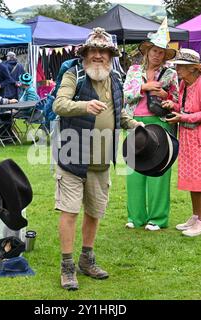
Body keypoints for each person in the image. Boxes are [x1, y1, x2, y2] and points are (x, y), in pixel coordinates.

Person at [53, 27, 142, 290]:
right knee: (69, 211)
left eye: (104, 51)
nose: (99, 56)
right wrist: (84, 106)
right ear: (85, 53)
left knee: (94, 212)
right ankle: (67, 267)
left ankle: (86, 259)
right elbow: (59, 104)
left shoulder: (115, 78)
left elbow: (119, 112)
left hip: (102, 161)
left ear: (111, 55)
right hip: (72, 157)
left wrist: (133, 124)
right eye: (94, 51)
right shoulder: (74, 75)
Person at [161, 48, 201, 237]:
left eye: (181, 66)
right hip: (189, 138)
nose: (177, 70)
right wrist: (172, 106)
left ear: (192, 68)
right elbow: (185, 107)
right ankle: (196, 217)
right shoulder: (185, 84)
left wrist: (182, 117)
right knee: (193, 179)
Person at [123, 18, 179, 231]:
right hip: (135, 123)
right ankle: (135, 217)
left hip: (160, 123)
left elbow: (177, 102)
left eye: (162, 52)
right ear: (147, 51)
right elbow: (125, 95)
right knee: (134, 171)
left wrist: (166, 95)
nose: (158, 55)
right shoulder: (134, 71)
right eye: (155, 51)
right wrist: (144, 88)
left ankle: (158, 218)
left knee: (159, 171)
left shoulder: (171, 74)